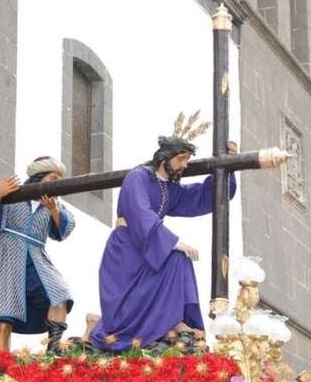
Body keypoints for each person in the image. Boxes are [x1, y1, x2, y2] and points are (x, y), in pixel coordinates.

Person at [89, 136, 238, 351]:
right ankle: (166, 321)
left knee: (178, 259)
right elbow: (139, 213)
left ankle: (174, 320)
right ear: (165, 157)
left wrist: (228, 168)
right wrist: (173, 242)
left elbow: (202, 197)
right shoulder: (138, 177)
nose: (185, 165)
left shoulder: (168, 189)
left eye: (187, 160)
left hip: (149, 249)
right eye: (181, 159)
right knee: (176, 255)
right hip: (127, 250)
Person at [0, 156, 75, 353]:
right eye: (53, 178)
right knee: (4, 316)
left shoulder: (56, 204)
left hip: (36, 257)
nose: (57, 183)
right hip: (6, 256)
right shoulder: (15, 195)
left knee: (60, 295)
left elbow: (64, 230)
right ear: (39, 176)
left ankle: (53, 351)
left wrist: (54, 211)